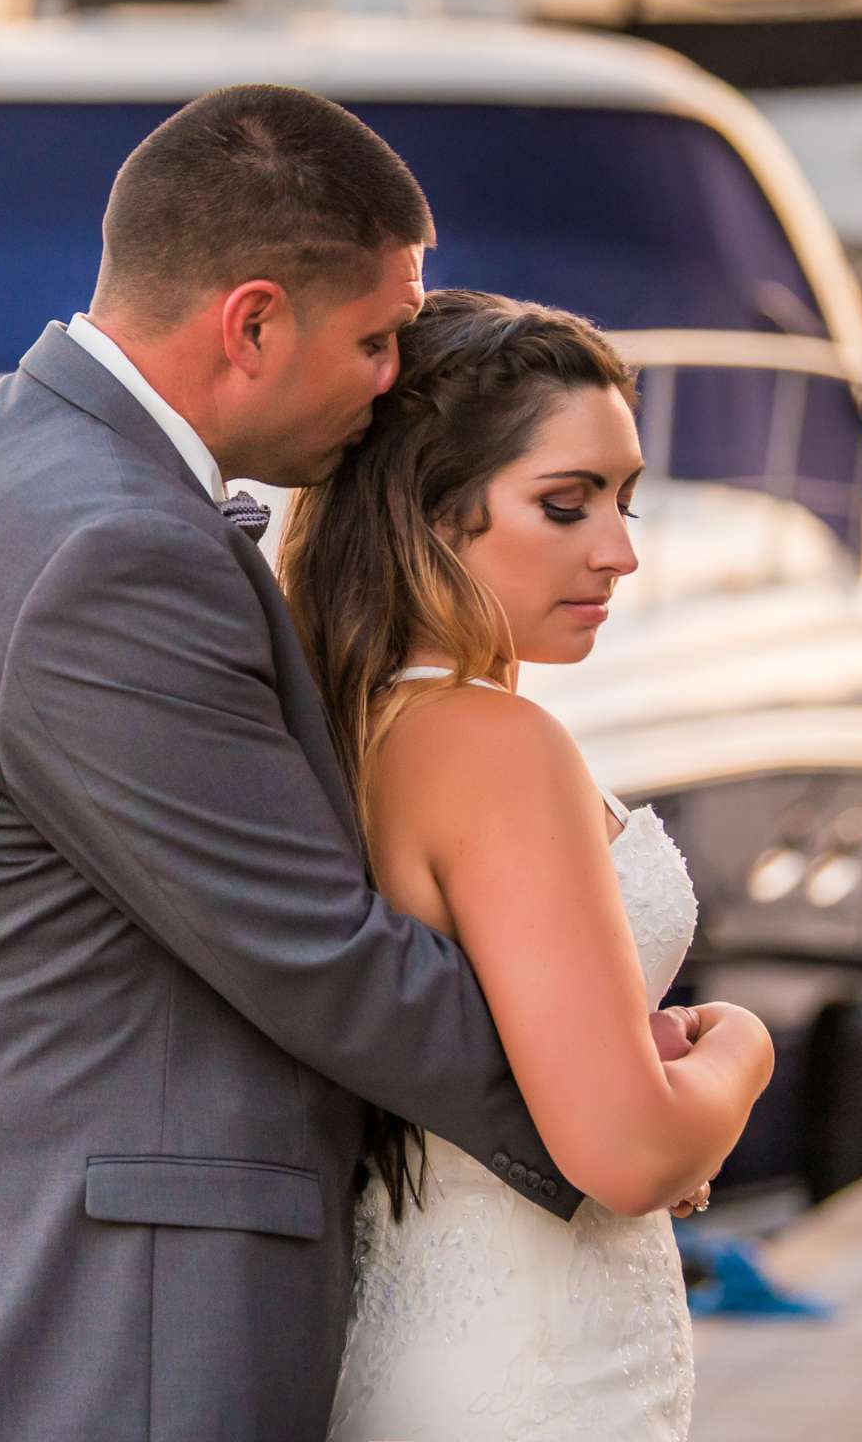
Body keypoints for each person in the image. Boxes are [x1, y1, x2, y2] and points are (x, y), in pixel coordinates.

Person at [0, 85, 695, 1442]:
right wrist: (627, 1102)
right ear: (255, 320)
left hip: (43, 1289)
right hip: (75, 1323)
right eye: (378, 338)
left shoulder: (40, 469)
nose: (398, 379)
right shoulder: (111, 547)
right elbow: (317, 952)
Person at [279, 289, 776, 1442]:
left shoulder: (363, 729)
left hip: (443, 1332)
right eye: (567, 504)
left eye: (625, 500)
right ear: (433, 513)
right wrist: (739, 1047)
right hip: (535, 1368)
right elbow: (627, 1151)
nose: (621, 550)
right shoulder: (493, 744)